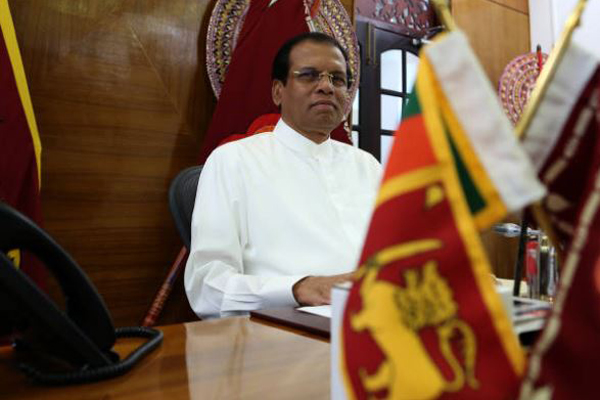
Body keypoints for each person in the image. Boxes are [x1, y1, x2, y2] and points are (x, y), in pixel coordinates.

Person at [184, 32, 382, 319]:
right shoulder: (233, 161)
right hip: (284, 329)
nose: (326, 86)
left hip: (375, 320)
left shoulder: (368, 166)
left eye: (338, 79)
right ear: (278, 92)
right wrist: (298, 288)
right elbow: (207, 287)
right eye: (309, 76)